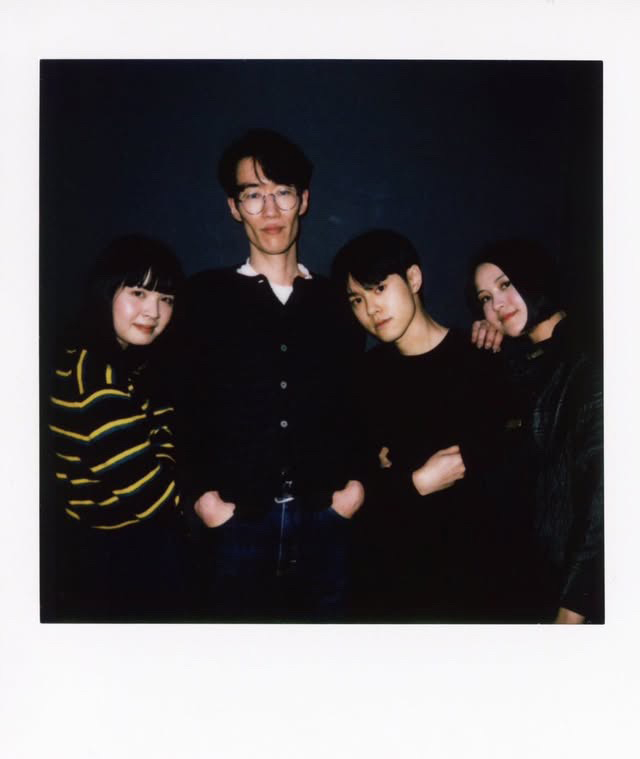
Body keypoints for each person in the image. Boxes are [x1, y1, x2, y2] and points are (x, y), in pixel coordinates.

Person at [179, 128, 365, 621]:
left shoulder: (336, 300)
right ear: (233, 207)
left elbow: (367, 391)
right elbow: (178, 401)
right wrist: (200, 498)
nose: (270, 210)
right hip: (235, 527)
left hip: (327, 520)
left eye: (282, 192)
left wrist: (354, 489)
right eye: (253, 195)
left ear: (304, 200)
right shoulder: (204, 296)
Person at [331, 229, 500, 621]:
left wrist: (392, 475)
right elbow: (355, 495)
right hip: (390, 585)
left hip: (471, 586)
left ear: (413, 278)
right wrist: (417, 482)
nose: (371, 309)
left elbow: (495, 475)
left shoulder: (480, 358)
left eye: (378, 288)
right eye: (357, 299)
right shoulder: (364, 378)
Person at [45, 235, 188, 621]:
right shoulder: (99, 383)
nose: (153, 312)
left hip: (108, 547)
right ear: (105, 291)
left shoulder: (107, 359)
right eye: (138, 293)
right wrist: (169, 439)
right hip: (116, 557)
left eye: (166, 299)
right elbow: (156, 500)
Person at [471, 239, 604, 623]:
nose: (496, 304)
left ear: (534, 278)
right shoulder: (522, 361)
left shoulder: (589, 353)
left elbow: (604, 492)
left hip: (573, 594)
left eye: (505, 284)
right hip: (528, 583)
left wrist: (574, 606)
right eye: (485, 298)